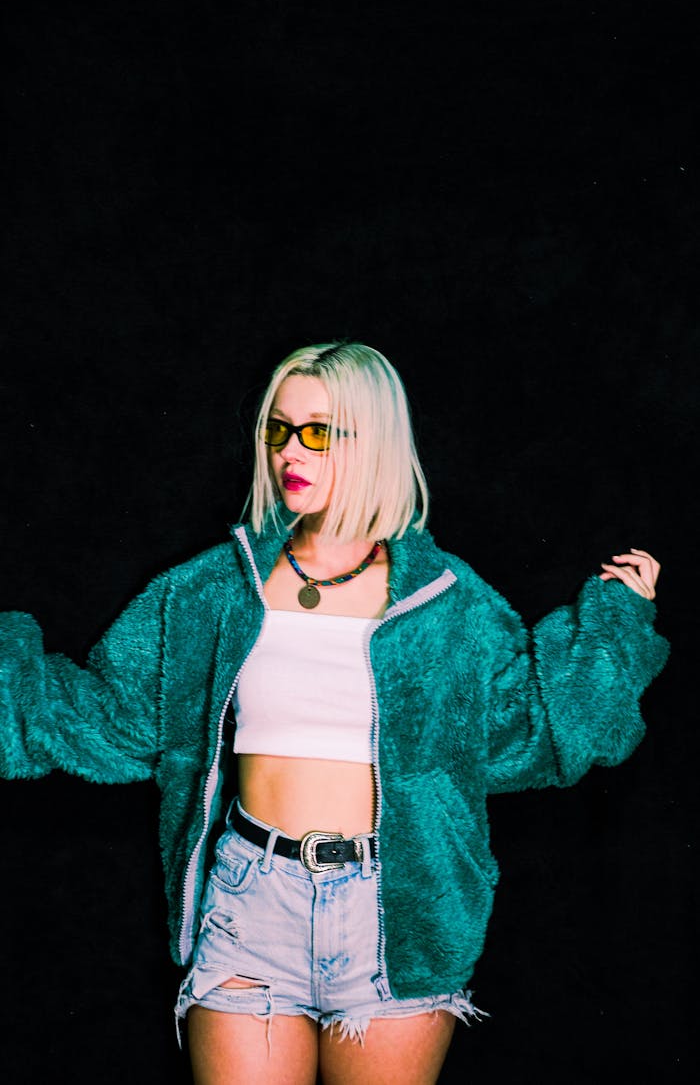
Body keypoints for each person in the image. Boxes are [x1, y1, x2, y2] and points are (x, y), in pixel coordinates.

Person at [0, 341, 668, 1085]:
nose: (292, 450)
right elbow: (111, 718)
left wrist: (618, 620)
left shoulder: (445, 600)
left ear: (373, 441)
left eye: (319, 432)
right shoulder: (214, 588)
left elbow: (535, 731)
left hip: (398, 916)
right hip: (250, 905)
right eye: (279, 429)